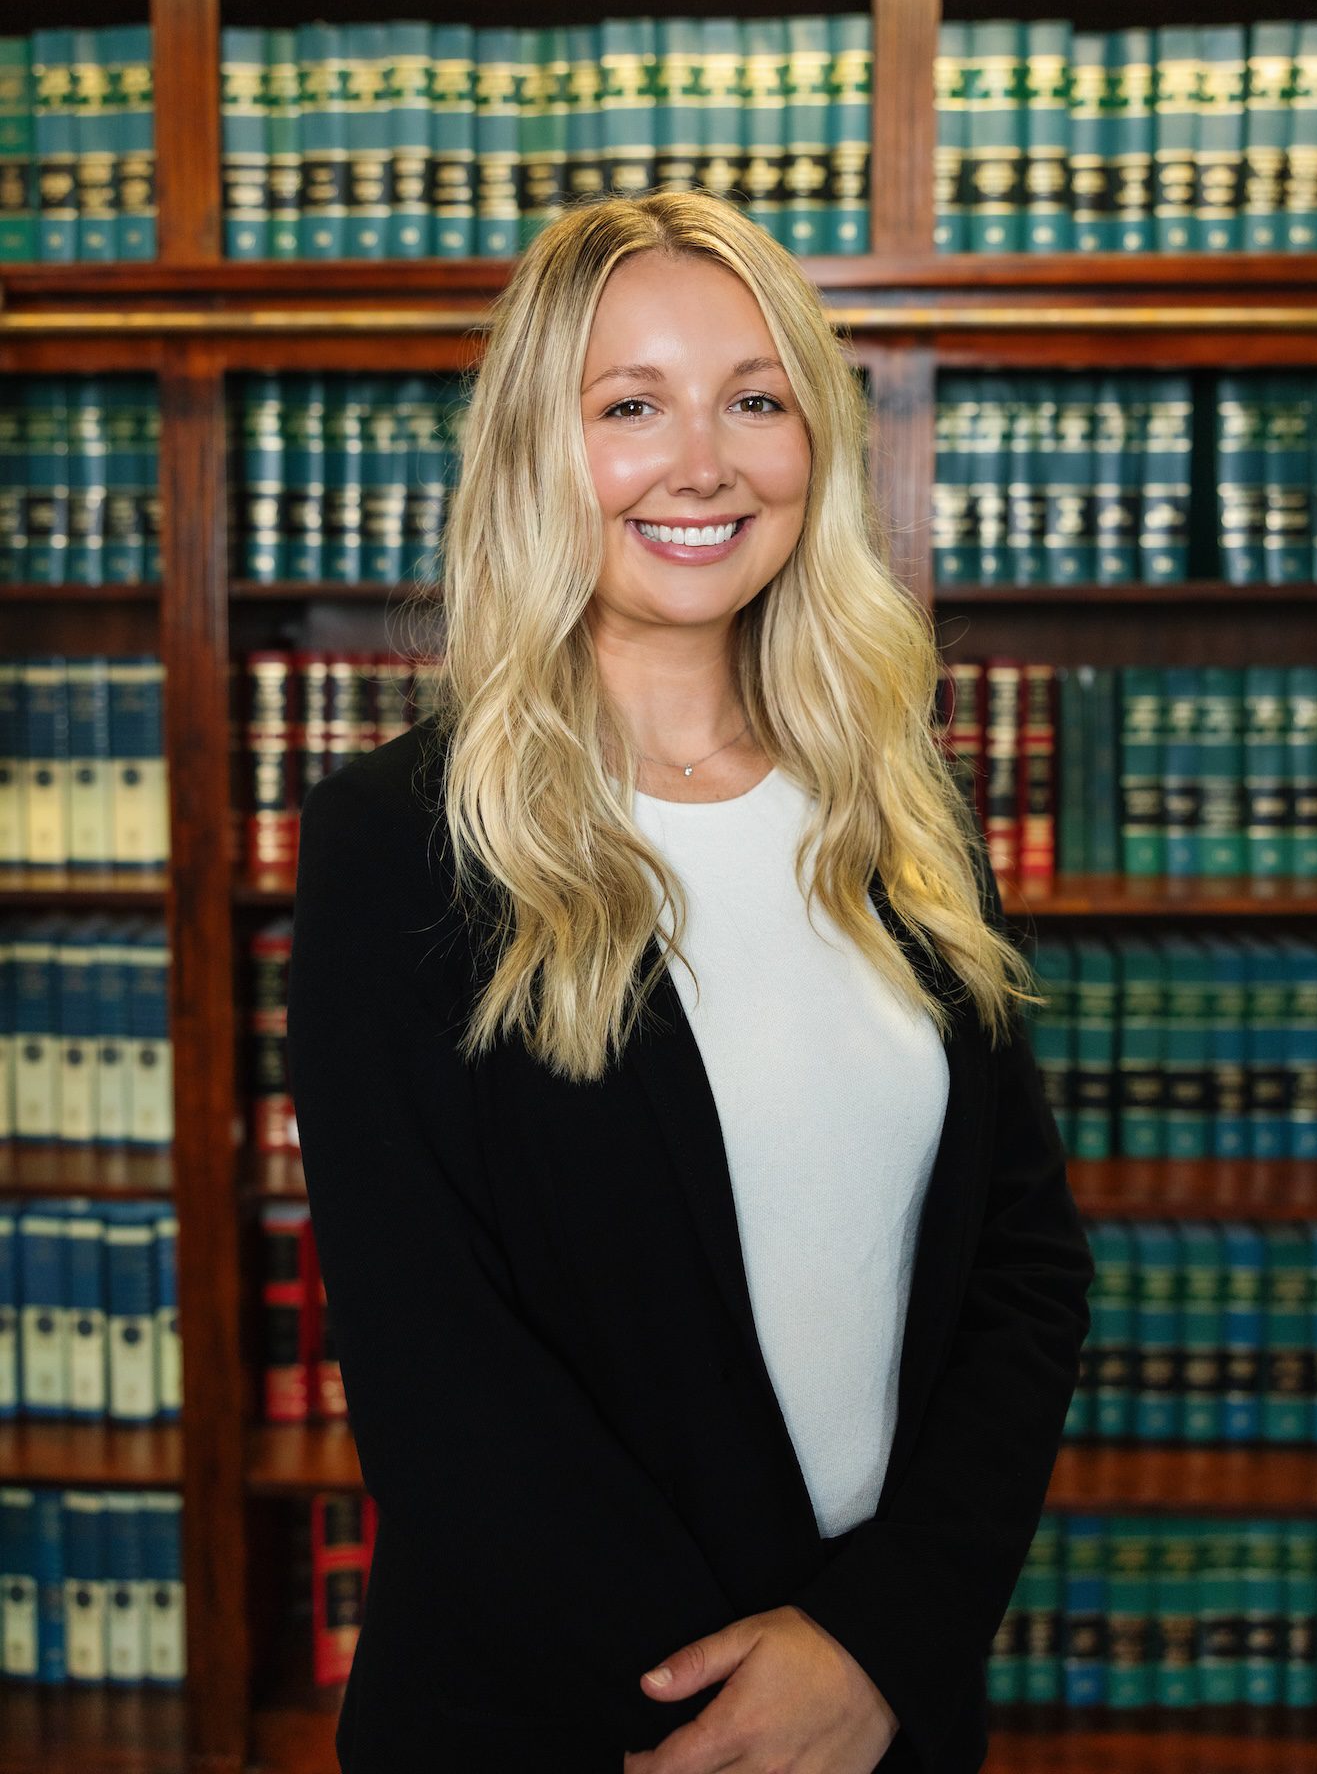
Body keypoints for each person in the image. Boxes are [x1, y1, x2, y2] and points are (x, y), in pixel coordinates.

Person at [286, 188, 1095, 1774]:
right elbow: (435, 1368)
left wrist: (874, 1650)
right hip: (566, 1721)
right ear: (537, 449)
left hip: (884, 1704)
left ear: (815, 443)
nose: (703, 462)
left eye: (754, 400)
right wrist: (738, 1709)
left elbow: (1024, 1266)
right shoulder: (400, 842)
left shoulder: (899, 807)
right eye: (630, 407)